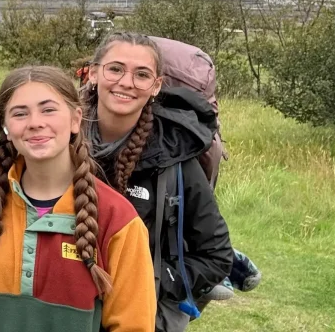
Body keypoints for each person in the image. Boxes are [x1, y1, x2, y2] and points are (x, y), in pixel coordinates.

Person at [0, 65, 156, 331]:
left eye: (48, 109)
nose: (35, 122)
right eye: (20, 113)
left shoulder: (118, 220)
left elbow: (133, 325)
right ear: (6, 129)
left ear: (75, 119)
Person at [80, 32, 234, 332]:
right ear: (94, 73)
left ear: (156, 87)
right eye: (115, 69)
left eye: (142, 75)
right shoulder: (58, 141)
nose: (126, 82)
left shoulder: (174, 158)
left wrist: (150, 280)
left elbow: (216, 255)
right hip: (64, 309)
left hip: (141, 317)